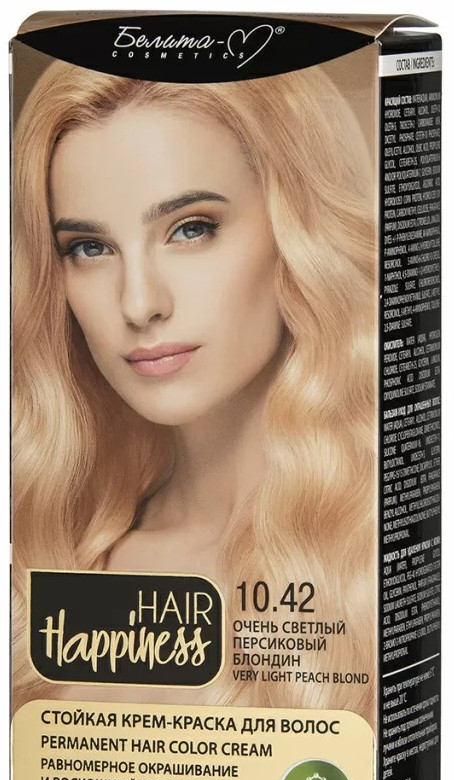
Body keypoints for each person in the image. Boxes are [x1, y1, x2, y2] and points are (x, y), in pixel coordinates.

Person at [12, 57, 377, 722]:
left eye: (191, 229)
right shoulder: (46, 566)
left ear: (298, 230)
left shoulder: (383, 564)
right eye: (89, 247)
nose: (139, 303)